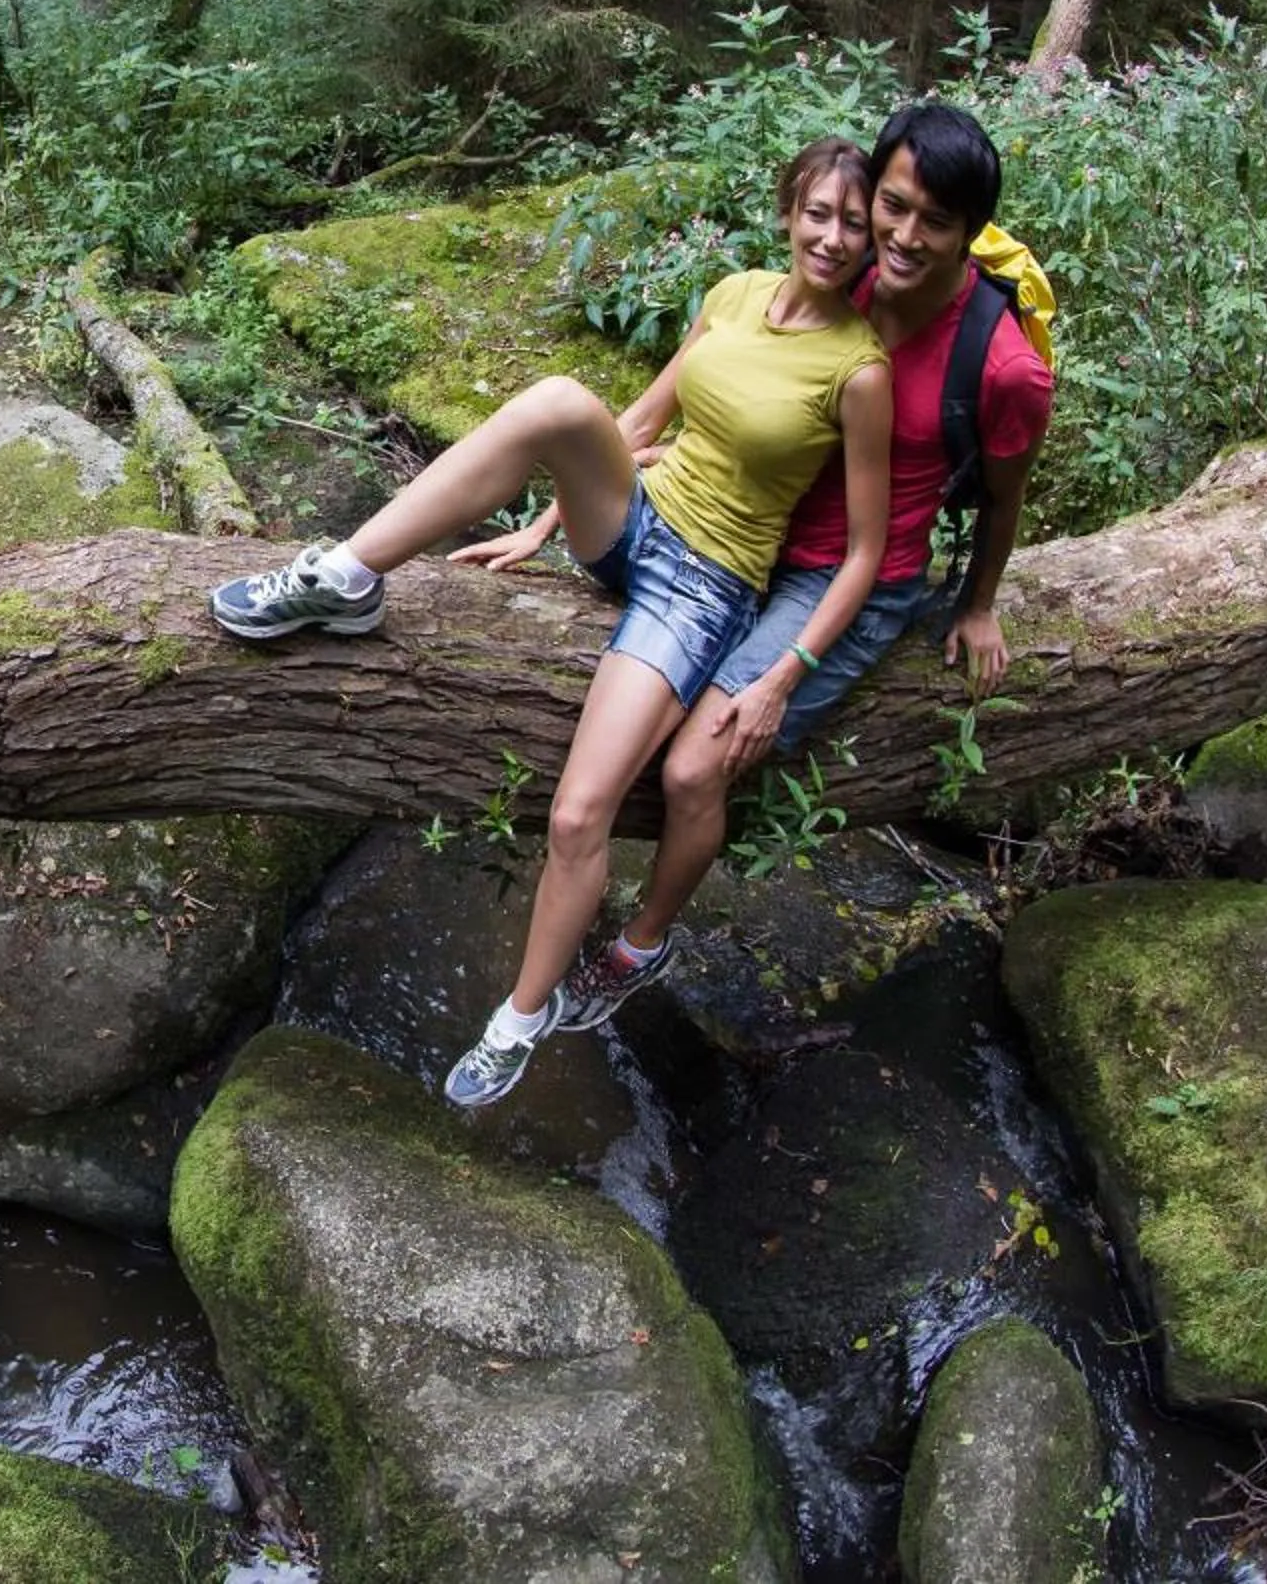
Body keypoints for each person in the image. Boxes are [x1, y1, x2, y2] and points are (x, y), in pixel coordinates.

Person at [209, 138, 895, 1106]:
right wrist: (543, 521)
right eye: (818, 212)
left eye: (854, 223)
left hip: (701, 588)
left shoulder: (860, 370)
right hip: (635, 522)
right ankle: (346, 574)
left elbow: (864, 549)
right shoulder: (736, 293)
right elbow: (643, 423)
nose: (832, 236)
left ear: (875, 240)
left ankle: (519, 1017)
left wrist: (785, 672)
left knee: (580, 812)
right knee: (560, 401)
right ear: (789, 210)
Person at [550, 100, 1057, 1038]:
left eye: (933, 223)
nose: (901, 237)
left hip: (846, 583)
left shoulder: (1006, 369)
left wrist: (980, 602)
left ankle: (640, 946)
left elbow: (1004, 492)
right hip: (747, 541)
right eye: (892, 208)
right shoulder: (845, 272)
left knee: (697, 768)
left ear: (970, 232)